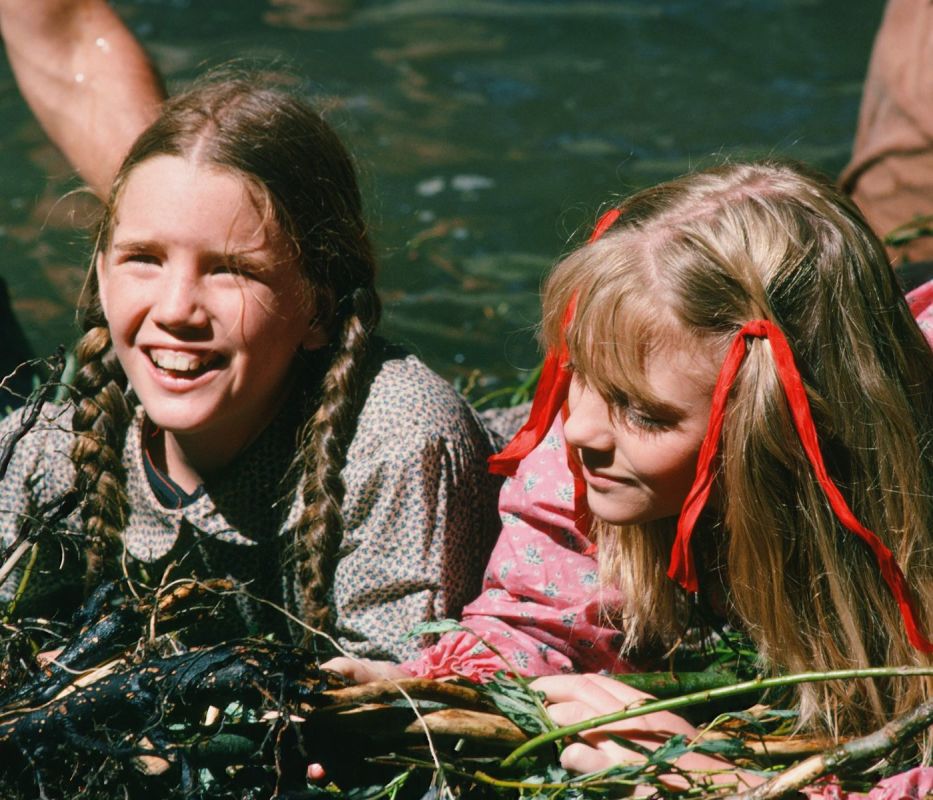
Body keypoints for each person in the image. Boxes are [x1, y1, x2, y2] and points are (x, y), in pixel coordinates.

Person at [337, 161, 933, 792]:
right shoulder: (579, 461)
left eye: (643, 412)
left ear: (777, 435)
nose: (578, 431)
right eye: (578, 377)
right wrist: (427, 693)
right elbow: (543, 620)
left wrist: (721, 783)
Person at [0, 74, 501, 662]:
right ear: (101, 276)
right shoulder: (46, 457)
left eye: (230, 270)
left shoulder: (401, 442)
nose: (175, 310)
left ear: (318, 308)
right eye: (144, 259)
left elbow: (404, 708)